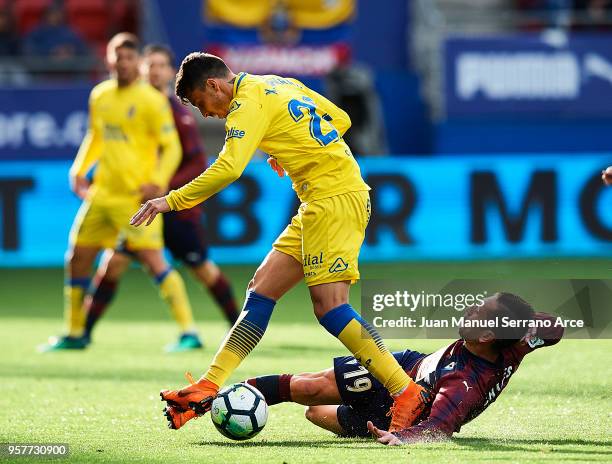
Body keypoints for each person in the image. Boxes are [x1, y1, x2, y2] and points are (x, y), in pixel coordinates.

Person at [130, 52, 430, 431]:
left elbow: (228, 168)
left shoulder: (245, 104)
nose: (205, 114)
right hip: (320, 201)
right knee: (261, 290)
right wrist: (289, 147)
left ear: (214, 85)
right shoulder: (277, 82)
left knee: (331, 308)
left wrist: (169, 200)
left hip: (333, 200)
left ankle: (406, 392)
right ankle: (208, 384)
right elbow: (340, 119)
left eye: (200, 103)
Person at [40, 33, 200, 352]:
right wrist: (78, 169)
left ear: (135, 62)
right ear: (109, 59)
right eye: (118, 56)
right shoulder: (100, 95)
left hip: (135, 198)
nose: (123, 62)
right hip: (102, 194)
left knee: (154, 260)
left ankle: (189, 331)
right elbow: (95, 136)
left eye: (129, 57)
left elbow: (170, 148)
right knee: (77, 257)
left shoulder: (151, 100)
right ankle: (74, 332)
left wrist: (159, 180)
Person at [81, 44, 240, 351]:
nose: (154, 71)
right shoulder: (136, 103)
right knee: (112, 264)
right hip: (141, 207)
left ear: (170, 72)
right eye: (149, 65)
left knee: (202, 269)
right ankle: (82, 333)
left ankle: (238, 326)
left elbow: (196, 162)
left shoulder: (177, 112)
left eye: (160, 66)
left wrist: (167, 190)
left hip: (175, 208)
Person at [245, 293, 564, 445]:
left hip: (391, 413)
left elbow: (438, 427)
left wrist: (401, 438)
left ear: (486, 337)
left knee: (313, 412)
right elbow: (555, 328)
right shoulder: (519, 341)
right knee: (310, 388)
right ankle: (226, 393)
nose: (470, 309)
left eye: (479, 312)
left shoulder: (463, 384)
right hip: (404, 368)